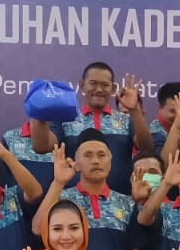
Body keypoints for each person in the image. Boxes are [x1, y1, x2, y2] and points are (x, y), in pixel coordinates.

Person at [30, 63, 155, 194]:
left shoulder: (124, 120)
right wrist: (40, 112)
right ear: (82, 85)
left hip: (119, 201)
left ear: (113, 89)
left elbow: (146, 147)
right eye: (93, 83)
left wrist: (134, 111)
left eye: (105, 85)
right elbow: (41, 147)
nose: (99, 89)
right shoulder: (66, 119)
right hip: (74, 200)